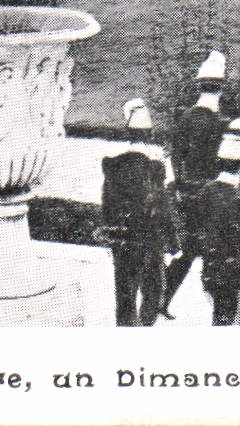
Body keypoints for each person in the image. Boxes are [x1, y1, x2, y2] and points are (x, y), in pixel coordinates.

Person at [98, 99, 178, 326]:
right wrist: (172, 240)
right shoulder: (154, 168)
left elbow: (107, 203)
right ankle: (144, 327)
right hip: (148, 238)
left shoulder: (113, 165)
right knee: (153, 289)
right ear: (150, 134)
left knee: (125, 292)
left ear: (127, 133)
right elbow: (161, 207)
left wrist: (109, 230)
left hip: (123, 238)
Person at [161, 51, 228, 314]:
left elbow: (176, 155)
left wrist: (178, 186)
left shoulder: (186, 117)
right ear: (220, 88)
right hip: (210, 194)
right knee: (214, 249)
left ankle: (161, 297)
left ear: (199, 86)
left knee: (189, 249)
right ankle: (223, 309)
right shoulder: (219, 122)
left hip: (188, 191)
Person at [190, 118, 240, 325]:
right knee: (231, 324)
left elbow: (195, 228)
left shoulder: (206, 191)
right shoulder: (239, 198)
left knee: (237, 320)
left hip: (210, 272)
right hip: (232, 278)